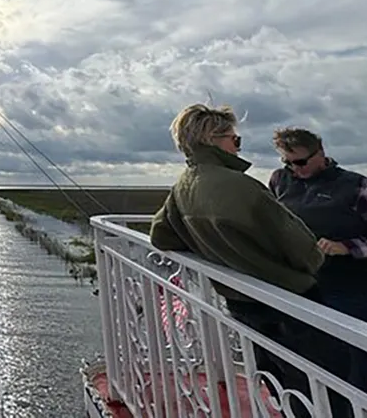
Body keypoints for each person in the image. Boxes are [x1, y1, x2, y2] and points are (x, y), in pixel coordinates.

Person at [150, 103, 351, 418]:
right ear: (212, 140)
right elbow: (305, 251)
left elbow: (161, 237)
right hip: (288, 301)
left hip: (241, 301)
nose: (237, 145)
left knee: (279, 380)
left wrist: (213, 248)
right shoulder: (242, 186)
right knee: (326, 385)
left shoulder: (183, 186)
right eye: (234, 139)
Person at [269, 127, 367, 396]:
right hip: (300, 293)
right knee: (305, 377)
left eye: (300, 162)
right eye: (287, 162)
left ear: (320, 153)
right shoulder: (279, 181)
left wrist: (348, 247)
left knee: (352, 378)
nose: (295, 169)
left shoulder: (358, 187)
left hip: (349, 296)